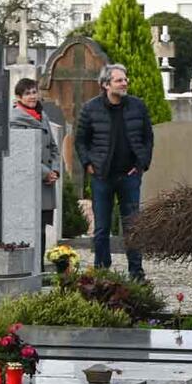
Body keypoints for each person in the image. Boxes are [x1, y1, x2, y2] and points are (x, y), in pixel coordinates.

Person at [74, 64, 154, 281]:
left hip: (130, 176)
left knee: (133, 226)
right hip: (102, 176)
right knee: (101, 228)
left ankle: (136, 273)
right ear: (106, 85)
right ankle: (102, 274)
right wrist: (88, 164)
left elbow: (147, 138)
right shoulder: (90, 109)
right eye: (119, 80)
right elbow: (80, 141)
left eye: (125, 79)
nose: (125, 83)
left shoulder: (138, 106)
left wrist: (141, 164)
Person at [9, 78, 60, 269]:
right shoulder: (15, 119)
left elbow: (53, 147)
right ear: (19, 97)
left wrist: (55, 170)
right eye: (27, 93)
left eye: (34, 92)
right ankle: (30, 268)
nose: (32, 96)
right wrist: (45, 172)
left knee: (42, 228)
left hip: (46, 183)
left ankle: (40, 268)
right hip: (29, 182)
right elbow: (21, 152)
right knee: (29, 228)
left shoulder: (42, 115)